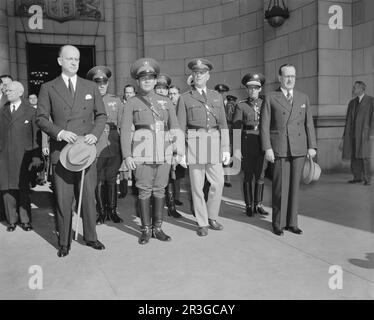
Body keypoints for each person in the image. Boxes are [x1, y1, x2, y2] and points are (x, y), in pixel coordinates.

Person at [36, 45, 107, 257]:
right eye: (69, 59)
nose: (74, 62)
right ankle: (64, 241)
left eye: (76, 59)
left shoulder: (90, 86)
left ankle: (91, 237)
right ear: (60, 61)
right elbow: (40, 118)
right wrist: (59, 133)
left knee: (87, 197)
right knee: (63, 200)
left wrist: (95, 133)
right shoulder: (48, 87)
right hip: (62, 152)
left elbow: (101, 115)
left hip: (85, 151)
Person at [121, 58, 185, 245]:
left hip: (164, 152)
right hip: (141, 153)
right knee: (143, 191)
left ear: (155, 80)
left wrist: (178, 151)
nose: (147, 81)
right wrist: (127, 155)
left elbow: (175, 126)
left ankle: (158, 227)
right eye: (143, 78)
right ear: (138, 81)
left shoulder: (166, 102)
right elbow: (125, 130)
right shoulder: (132, 103)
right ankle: (145, 229)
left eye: (150, 77)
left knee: (160, 190)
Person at [261, 63, 317, 236]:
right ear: (279, 78)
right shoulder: (271, 97)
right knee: (280, 188)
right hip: (280, 148)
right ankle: (278, 223)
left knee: (294, 188)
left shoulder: (303, 98)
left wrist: (312, 145)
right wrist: (267, 148)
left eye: (293, 76)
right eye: (286, 76)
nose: (290, 79)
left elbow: (309, 124)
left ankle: (292, 222)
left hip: (299, 148)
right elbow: (264, 126)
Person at [177, 58, 230, 237]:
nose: (198, 75)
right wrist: (180, 152)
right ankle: (202, 222)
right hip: (194, 141)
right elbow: (180, 127)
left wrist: (226, 148)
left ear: (208, 75)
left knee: (218, 182)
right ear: (192, 75)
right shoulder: (185, 98)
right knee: (197, 186)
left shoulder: (216, 96)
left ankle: (212, 216)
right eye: (196, 72)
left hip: (214, 140)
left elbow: (223, 124)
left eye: (202, 73)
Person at [0, 81, 42, 232]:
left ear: (19, 92)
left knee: (23, 188)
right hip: (4, 157)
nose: (7, 93)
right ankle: (11, 220)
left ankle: (25, 220)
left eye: (10, 90)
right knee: (7, 189)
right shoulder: (2, 110)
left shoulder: (30, 111)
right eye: (6, 91)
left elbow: (36, 136)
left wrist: (36, 156)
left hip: (24, 156)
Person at [86, 65, 124, 224]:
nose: (101, 85)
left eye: (104, 82)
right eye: (98, 82)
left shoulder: (116, 101)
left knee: (112, 179)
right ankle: (101, 212)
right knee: (99, 180)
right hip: (96, 146)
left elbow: (123, 125)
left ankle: (113, 211)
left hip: (113, 145)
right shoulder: (87, 101)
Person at [233, 73, 269, 217]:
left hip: (262, 143)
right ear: (246, 90)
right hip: (247, 143)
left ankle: (258, 204)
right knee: (248, 176)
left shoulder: (265, 104)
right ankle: (249, 205)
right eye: (250, 88)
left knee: (260, 175)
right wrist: (236, 149)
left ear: (260, 89)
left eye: (256, 88)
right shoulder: (241, 106)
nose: (253, 90)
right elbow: (236, 128)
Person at [154, 74, 182, 218]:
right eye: (158, 88)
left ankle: (171, 207)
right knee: (152, 177)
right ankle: (149, 208)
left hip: (167, 144)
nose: (162, 91)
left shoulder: (170, 104)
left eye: (164, 88)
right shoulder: (149, 102)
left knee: (170, 177)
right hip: (150, 144)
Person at [341, 81, 374, 185]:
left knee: (365, 157)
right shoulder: (352, 102)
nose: (353, 89)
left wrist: (372, 133)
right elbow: (347, 121)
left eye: (355, 88)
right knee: (354, 156)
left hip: (365, 134)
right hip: (352, 134)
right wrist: (344, 136)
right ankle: (357, 177)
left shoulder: (371, 101)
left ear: (361, 89)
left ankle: (367, 179)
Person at [169, 85, 185, 206]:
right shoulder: (166, 107)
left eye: (174, 93)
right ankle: (169, 199)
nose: (172, 96)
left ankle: (177, 197)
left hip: (180, 144)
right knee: (169, 172)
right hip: (168, 144)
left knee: (178, 172)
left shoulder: (182, 107)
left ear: (179, 95)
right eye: (170, 93)